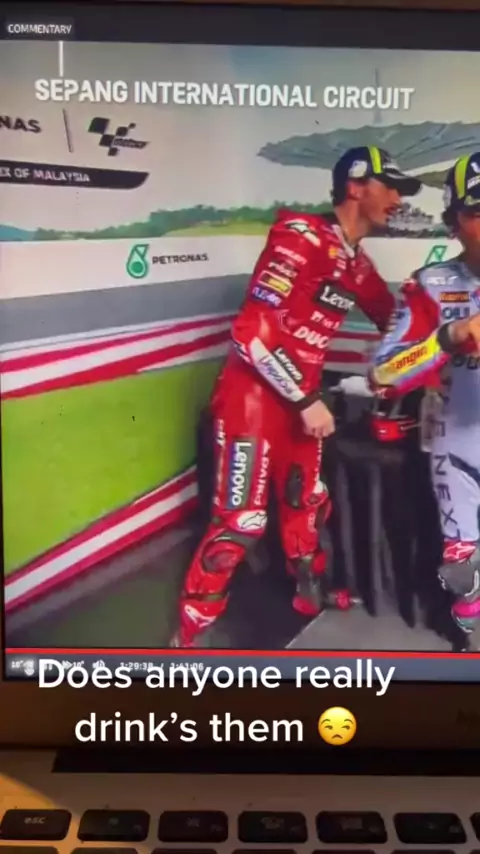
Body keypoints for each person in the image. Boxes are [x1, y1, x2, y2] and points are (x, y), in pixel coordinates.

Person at [173, 145, 422, 648]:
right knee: (241, 522)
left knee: (306, 504)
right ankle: (189, 632)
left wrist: (431, 316)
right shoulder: (300, 237)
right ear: (355, 187)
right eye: (390, 186)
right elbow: (251, 332)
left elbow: (396, 325)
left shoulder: (357, 264)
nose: (398, 199)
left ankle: (310, 599)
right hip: (252, 399)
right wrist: (307, 399)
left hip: (303, 402)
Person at [371, 152, 480, 651]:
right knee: (462, 575)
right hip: (457, 452)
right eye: (478, 211)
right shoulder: (431, 285)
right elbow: (382, 376)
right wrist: (447, 339)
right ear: (454, 221)